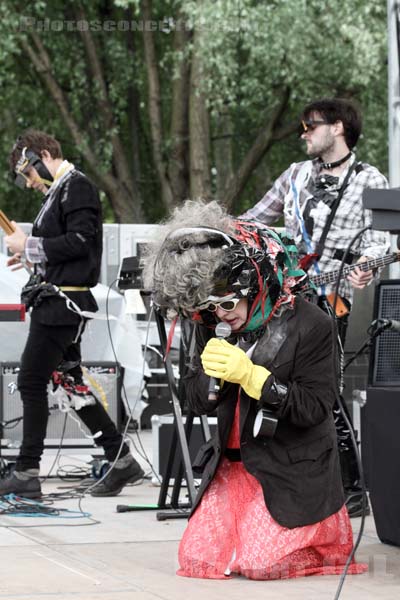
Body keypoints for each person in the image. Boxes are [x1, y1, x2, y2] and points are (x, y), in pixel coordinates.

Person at [142, 199, 367, 580]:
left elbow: (314, 408)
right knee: (199, 561)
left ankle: (317, 542)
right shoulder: (211, 324)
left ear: (255, 282)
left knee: (263, 565)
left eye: (228, 302)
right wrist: (211, 380)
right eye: (209, 308)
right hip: (233, 470)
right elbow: (192, 400)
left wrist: (254, 377)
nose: (221, 315)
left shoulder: (312, 324)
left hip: (291, 472)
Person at [241, 98, 390, 517]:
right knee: (272, 382)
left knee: (323, 391)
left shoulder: (368, 179)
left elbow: (381, 242)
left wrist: (366, 266)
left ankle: (350, 486)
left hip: (334, 303)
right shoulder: (294, 176)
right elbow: (253, 220)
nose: (303, 132)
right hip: (288, 300)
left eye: (310, 125)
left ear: (338, 127)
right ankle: (280, 476)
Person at [0, 129, 144, 498]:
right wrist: (31, 252)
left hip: (63, 305)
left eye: (28, 173)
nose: (28, 183)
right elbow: (65, 246)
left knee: (32, 381)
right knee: (69, 380)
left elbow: (81, 242)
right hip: (58, 301)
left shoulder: (76, 187)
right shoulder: (60, 191)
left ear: (44, 155)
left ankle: (27, 471)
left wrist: (30, 244)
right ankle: (121, 460)